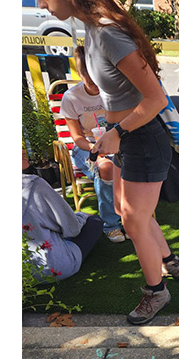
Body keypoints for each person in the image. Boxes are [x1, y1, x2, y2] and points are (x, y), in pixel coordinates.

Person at [25, 0, 179, 326]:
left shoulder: (107, 33)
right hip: (127, 134)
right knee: (129, 213)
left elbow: (156, 97)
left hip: (142, 136)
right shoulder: (92, 30)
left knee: (132, 219)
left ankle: (156, 291)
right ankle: (169, 263)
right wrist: (113, 132)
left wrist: (117, 132)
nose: (42, 4)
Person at [61, 44, 124, 243]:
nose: (96, 86)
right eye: (90, 81)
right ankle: (111, 224)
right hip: (86, 147)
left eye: (98, 79)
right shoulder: (71, 98)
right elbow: (77, 138)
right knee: (105, 168)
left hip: (115, 143)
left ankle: (131, 218)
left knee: (129, 163)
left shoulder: (111, 90)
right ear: (80, 74)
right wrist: (95, 148)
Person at [23, 158, 103, 281]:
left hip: (24, 274)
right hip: (50, 268)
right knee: (95, 221)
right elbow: (72, 228)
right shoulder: (34, 185)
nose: (23, 151)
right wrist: (82, 216)